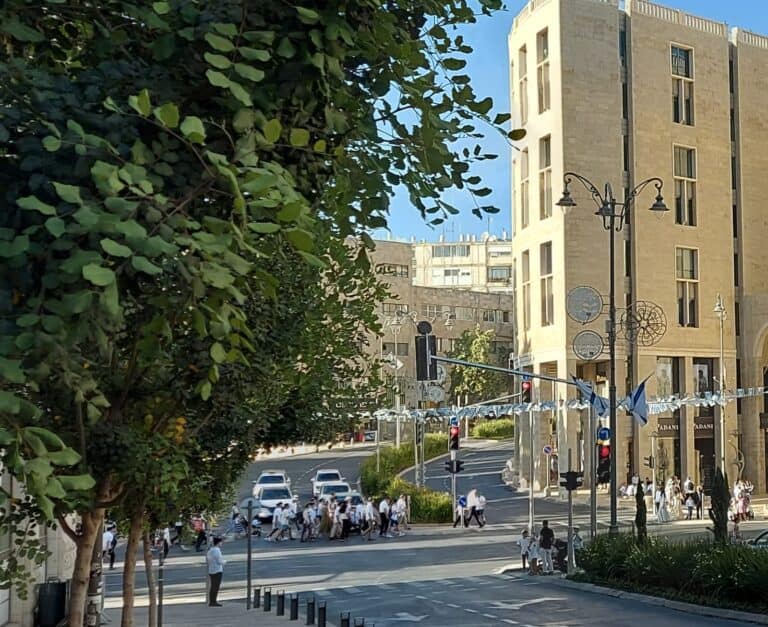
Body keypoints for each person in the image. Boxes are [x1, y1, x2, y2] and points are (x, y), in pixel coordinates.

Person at [206, 537, 225, 607]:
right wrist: (224, 562)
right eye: (221, 542)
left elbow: (208, 559)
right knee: (215, 586)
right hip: (217, 570)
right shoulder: (217, 550)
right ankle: (213, 601)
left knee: (213, 586)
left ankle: (212, 600)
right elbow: (219, 561)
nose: (222, 543)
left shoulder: (210, 550)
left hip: (211, 569)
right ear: (218, 543)